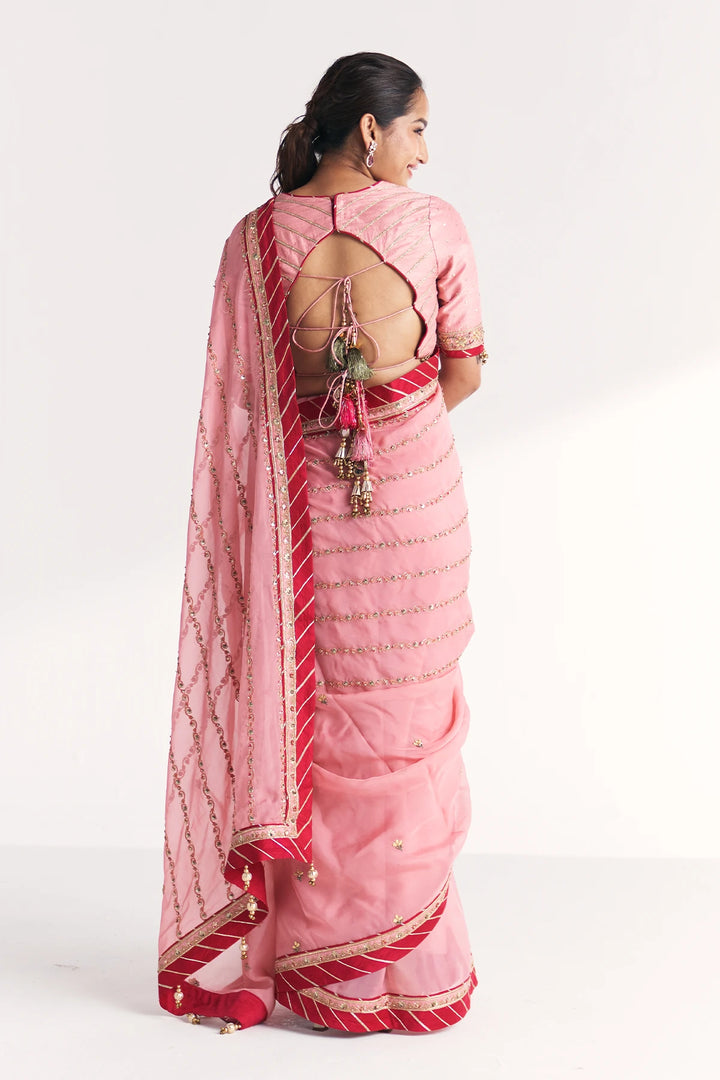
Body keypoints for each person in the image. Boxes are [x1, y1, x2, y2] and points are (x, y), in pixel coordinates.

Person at [157, 51, 488, 1035]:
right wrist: (390, 418)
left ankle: (329, 972)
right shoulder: (433, 227)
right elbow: (464, 371)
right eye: (418, 128)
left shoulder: (253, 240)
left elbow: (250, 404)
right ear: (371, 129)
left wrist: (332, 417)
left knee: (329, 727)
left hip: (310, 528)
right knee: (413, 730)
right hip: (419, 518)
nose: (425, 153)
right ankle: (410, 970)